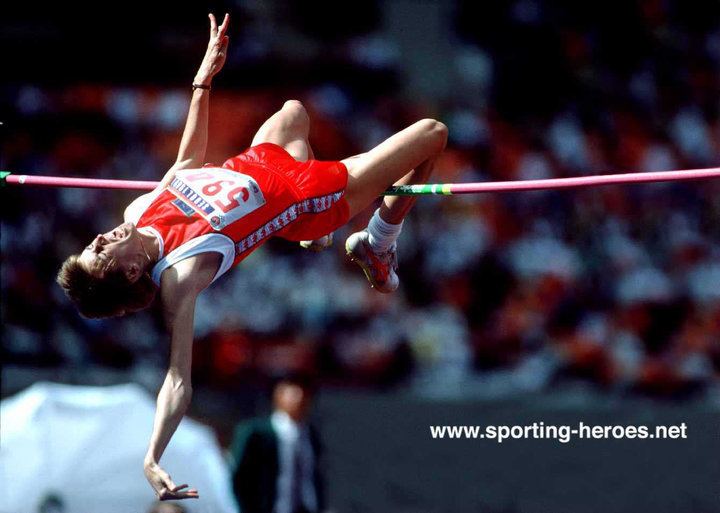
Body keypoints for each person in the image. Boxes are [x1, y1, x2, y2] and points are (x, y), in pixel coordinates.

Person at [55, 13, 447, 500]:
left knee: (293, 111)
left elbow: (185, 162)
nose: (99, 238)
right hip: (313, 194)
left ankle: (304, 234)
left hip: (262, 161)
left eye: (93, 243)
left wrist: (203, 81)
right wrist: (153, 455)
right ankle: (379, 241)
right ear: (132, 270)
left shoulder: (140, 210)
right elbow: (178, 378)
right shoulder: (180, 275)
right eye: (100, 252)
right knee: (432, 133)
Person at [228, 375, 324, 513]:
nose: (299, 400)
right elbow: (237, 477)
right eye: (293, 394)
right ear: (278, 395)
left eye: (305, 395)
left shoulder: (310, 435)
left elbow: (312, 477)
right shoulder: (255, 432)